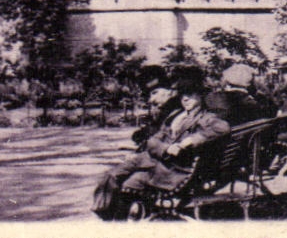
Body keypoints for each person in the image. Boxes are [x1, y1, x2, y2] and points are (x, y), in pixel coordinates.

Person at [94, 75, 228, 220]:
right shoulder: (176, 115)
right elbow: (153, 140)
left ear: (201, 97)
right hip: (154, 159)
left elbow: (222, 128)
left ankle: (111, 221)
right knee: (110, 177)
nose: (185, 99)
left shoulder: (206, 117)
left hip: (171, 169)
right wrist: (165, 149)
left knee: (126, 183)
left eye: (190, 95)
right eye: (183, 95)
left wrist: (189, 141)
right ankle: (108, 217)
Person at [209, 63, 277, 125]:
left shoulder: (215, 99)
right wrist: (265, 95)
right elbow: (271, 114)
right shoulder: (248, 102)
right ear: (249, 81)